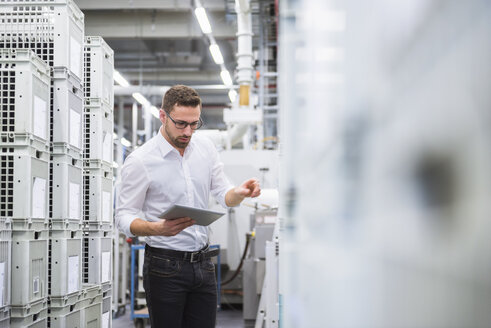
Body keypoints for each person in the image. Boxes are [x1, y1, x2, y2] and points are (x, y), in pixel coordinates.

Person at [115, 85, 261, 328]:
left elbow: (223, 192)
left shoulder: (205, 149)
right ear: (163, 116)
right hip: (164, 266)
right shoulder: (141, 161)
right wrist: (156, 228)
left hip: (203, 265)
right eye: (181, 123)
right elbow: (123, 217)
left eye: (194, 124)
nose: (188, 131)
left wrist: (239, 192)